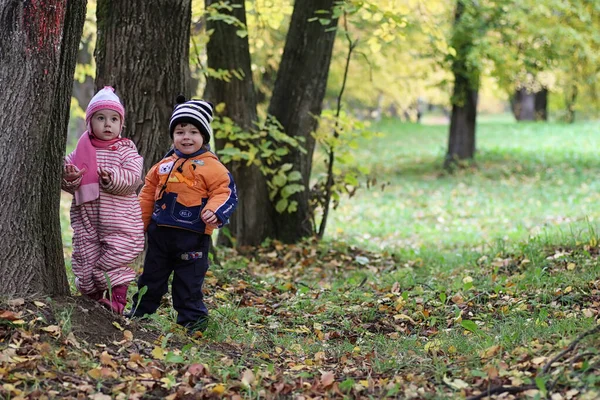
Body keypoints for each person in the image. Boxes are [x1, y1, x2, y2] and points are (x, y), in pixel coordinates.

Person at [129, 96, 238, 333]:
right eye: (180, 131)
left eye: (193, 132)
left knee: (188, 284)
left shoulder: (212, 166)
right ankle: (140, 314)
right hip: (160, 235)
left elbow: (225, 192)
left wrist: (214, 212)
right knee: (151, 277)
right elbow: (148, 194)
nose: (186, 137)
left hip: (193, 237)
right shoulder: (163, 165)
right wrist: (139, 222)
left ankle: (194, 322)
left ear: (204, 137)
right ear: (173, 136)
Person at [62, 86, 145, 314]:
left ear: (121, 124)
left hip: (119, 221)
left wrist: (112, 178)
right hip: (88, 219)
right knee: (85, 261)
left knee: (114, 260)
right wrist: (70, 176)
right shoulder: (80, 151)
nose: (108, 124)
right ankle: (92, 299)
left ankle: (117, 301)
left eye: (113, 119)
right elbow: (67, 175)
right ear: (90, 122)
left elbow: (132, 177)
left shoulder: (125, 150)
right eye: (101, 118)